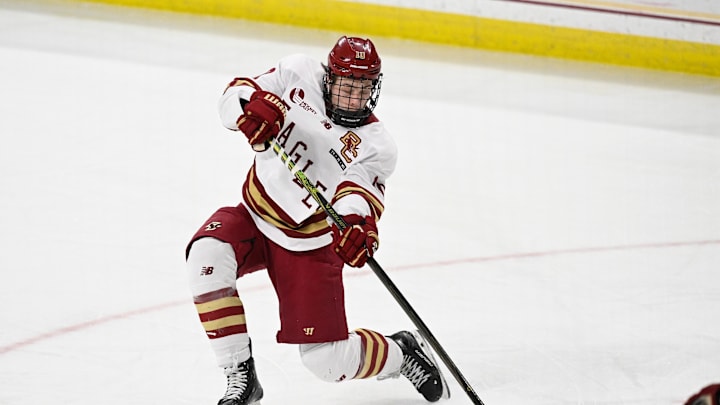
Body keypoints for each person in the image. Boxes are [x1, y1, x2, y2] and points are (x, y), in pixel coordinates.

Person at [185, 36, 450, 404]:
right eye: (346, 86)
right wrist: (249, 109)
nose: (353, 98)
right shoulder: (297, 72)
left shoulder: (376, 144)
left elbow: (356, 195)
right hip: (255, 216)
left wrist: (356, 226)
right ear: (328, 77)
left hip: (308, 247)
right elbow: (235, 93)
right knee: (206, 256)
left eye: (363, 89)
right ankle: (240, 376)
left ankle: (401, 352)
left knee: (326, 362)